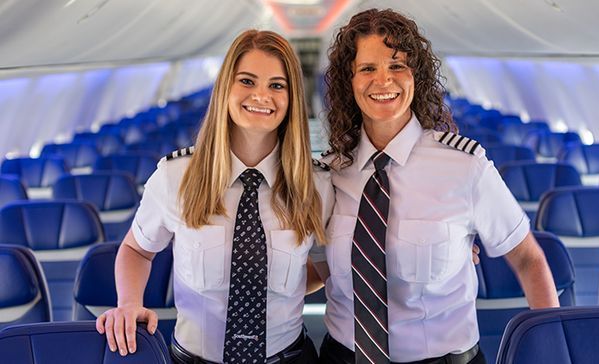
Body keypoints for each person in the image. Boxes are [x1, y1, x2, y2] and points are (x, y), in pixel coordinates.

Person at [314, 8, 559, 364]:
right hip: (343, 356)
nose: (383, 81)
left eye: (397, 66)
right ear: (349, 82)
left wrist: (551, 346)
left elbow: (528, 259)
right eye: (368, 68)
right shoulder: (329, 174)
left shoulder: (465, 166)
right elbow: (326, 268)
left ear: (417, 76)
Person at [95, 29, 334, 364]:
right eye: (247, 81)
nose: (261, 95)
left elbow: (327, 267)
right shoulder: (177, 177)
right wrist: (129, 302)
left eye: (277, 85)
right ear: (225, 89)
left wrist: (283, 280)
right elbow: (136, 250)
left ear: (292, 97)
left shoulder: (316, 184)